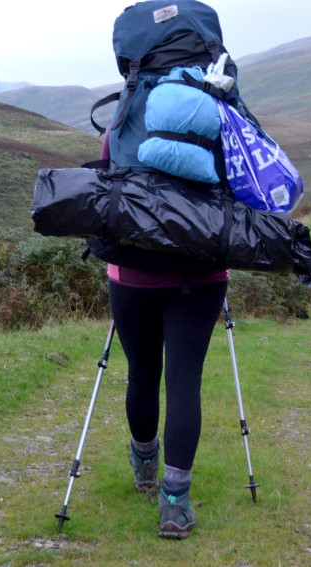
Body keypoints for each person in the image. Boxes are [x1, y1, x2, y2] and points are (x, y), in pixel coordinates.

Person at [101, 136, 229, 540]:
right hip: (202, 273)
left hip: (132, 273)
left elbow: (107, 187)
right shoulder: (216, 126)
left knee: (141, 371)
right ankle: (174, 505)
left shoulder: (123, 123)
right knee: (184, 379)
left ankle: (144, 468)